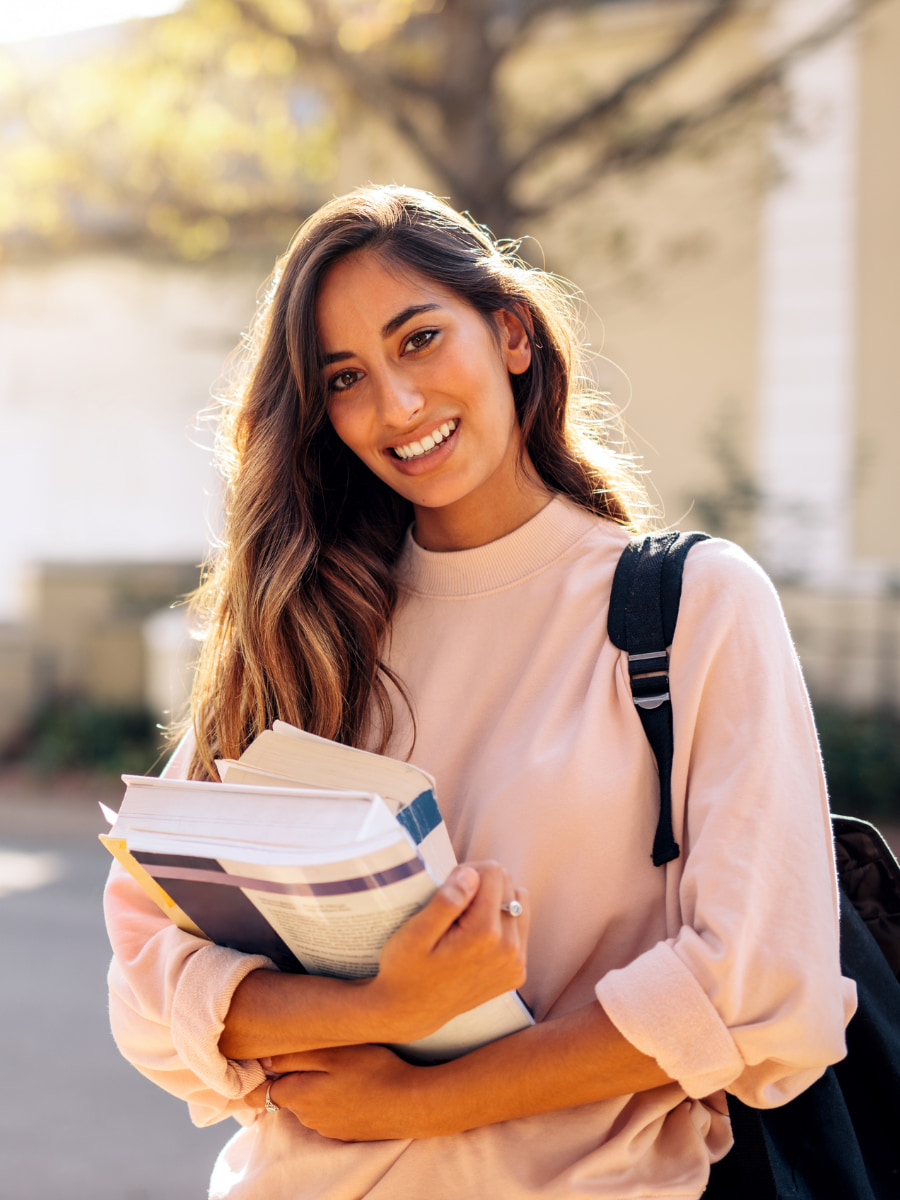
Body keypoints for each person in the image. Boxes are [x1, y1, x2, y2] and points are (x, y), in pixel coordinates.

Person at [104, 184, 855, 1199]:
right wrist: (388, 1006)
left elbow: (761, 990)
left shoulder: (689, 607)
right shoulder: (306, 629)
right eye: (345, 378)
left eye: (419, 340)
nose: (397, 406)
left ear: (509, 332)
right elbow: (151, 984)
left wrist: (417, 1100)